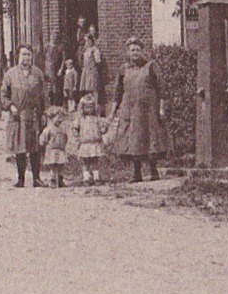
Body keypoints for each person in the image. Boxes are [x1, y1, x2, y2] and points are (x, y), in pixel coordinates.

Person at [109, 37, 170, 182]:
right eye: (132, 50)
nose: (135, 52)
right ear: (128, 52)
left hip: (149, 110)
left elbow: (162, 88)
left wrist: (161, 108)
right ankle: (136, 173)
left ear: (142, 51)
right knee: (134, 140)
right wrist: (112, 113)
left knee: (150, 138)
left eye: (138, 49)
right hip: (130, 110)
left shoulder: (151, 66)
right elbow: (117, 92)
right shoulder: (123, 69)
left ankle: (153, 170)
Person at [1, 45, 48, 187]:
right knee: (20, 147)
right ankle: (21, 179)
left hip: (34, 115)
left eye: (28, 55)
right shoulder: (10, 74)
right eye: (23, 55)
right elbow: (3, 95)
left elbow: (44, 95)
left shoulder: (38, 74)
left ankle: (36, 178)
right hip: (18, 116)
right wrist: (11, 106)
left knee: (35, 148)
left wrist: (45, 112)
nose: (26, 58)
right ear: (18, 56)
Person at [71, 94, 107, 185]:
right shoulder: (81, 118)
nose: (89, 109)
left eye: (91, 107)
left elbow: (101, 129)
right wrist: (77, 136)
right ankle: (86, 178)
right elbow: (75, 127)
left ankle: (96, 177)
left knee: (95, 161)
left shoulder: (96, 118)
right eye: (87, 107)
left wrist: (104, 128)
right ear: (82, 108)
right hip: (85, 143)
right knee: (86, 162)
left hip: (95, 143)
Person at [39, 106, 70, 188]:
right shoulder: (49, 129)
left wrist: (64, 144)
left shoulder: (62, 128)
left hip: (60, 150)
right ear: (52, 117)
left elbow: (65, 137)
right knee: (53, 166)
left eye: (61, 118)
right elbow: (43, 138)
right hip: (52, 150)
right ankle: (52, 180)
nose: (60, 120)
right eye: (58, 117)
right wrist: (43, 142)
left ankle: (60, 180)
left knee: (61, 166)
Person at [79, 29, 105, 108]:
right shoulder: (86, 49)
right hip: (86, 71)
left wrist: (94, 68)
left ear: (91, 41)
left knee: (94, 89)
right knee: (88, 89)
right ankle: (89, 106)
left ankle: (96, 106)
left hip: (92, 71)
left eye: (87, 41)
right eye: (85, 41)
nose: (86, 42)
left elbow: (98, 61)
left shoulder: (95, 49)